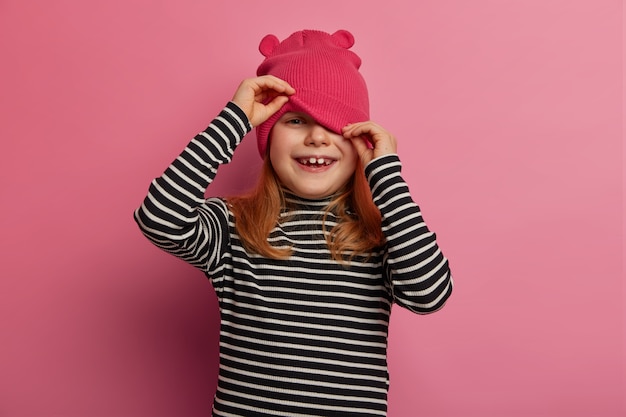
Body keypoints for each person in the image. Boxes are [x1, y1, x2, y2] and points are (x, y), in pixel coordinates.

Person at [135, 29, 453, 417]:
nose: (318, 137)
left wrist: (385, 176)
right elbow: (159, 217)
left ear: (362, 142)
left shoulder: (381, 236)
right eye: (297, 121)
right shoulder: (233, 226)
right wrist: (233, 121)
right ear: (268, 137)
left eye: (337, 124)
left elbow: (429, 294)